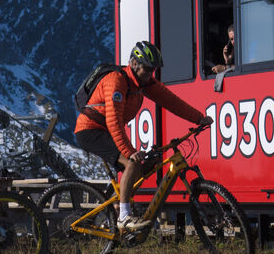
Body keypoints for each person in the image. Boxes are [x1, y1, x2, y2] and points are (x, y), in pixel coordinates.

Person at [74, 41, 212, 231]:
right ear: (134, 63)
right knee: (132, 162)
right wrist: (129, 152)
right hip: (90, 130)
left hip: (106, 130)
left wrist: (199, 118)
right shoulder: (116, 81)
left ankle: (117, 206)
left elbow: (171, 101)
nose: (150, 74)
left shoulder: (143, 83)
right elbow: (114, 121)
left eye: (153, 70)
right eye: (147, 69)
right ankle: (124, 216)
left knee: (148, 164)